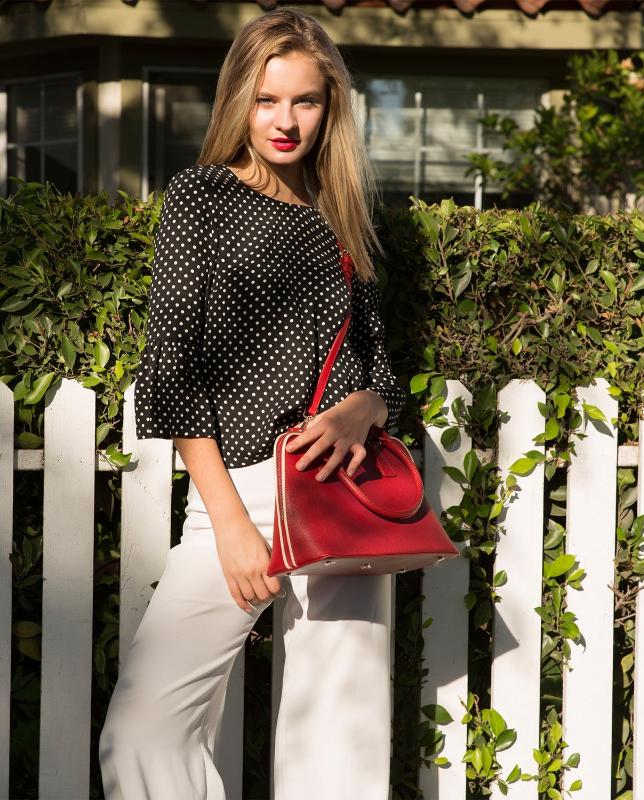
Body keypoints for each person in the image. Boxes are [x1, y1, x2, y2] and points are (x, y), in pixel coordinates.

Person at [98, 8, 407, 799]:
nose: (285, 120)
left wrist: (362, 408)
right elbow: (170, 365)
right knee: (143, 732)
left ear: (329, 107)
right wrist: (232, 522)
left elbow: (381, 370)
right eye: (267, 100)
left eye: (304, 101)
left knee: (336, 745)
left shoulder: (339, 215)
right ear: (240, 99)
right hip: (237, 496)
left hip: (340, 493)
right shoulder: (201, 197)